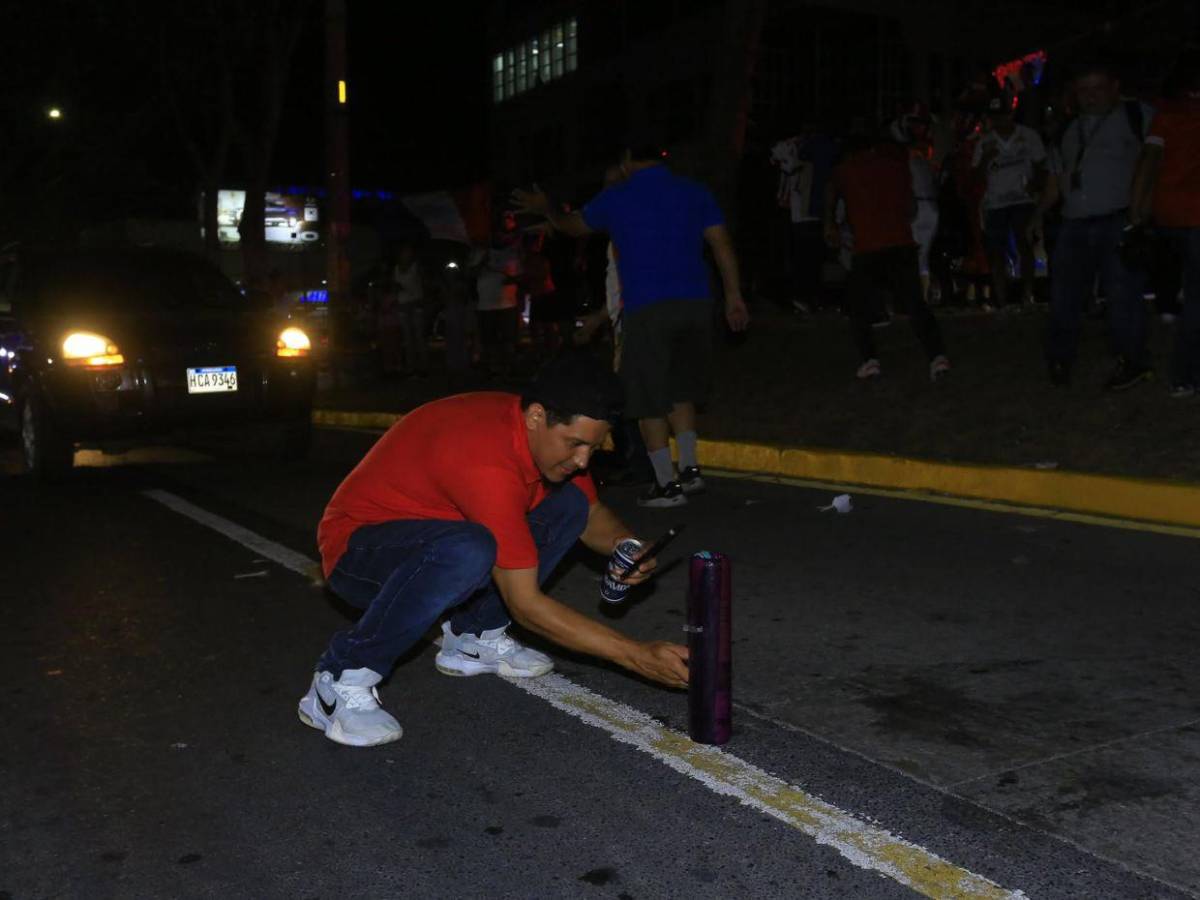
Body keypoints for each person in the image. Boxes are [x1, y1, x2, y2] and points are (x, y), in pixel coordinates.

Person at [298, 353, 689, 747]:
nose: (583, 460)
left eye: (593, 447)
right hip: (359, 554)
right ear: (536, 417)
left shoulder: (540, 432)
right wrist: (636, 655)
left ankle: (475, 637)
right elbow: (526, 605)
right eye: (575, 444)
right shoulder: (484, 458)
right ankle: (338, 680)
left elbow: (589, 513)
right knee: (469, 549)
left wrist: (626, 545)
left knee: (568, 502)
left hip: (442, 539)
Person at [511, 142, 750, 509]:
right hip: (696, 305)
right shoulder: (694, 191)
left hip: (649, 308)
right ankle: (690, 470)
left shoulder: (619, 196)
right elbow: (721, 243)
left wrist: (549, 209)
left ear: (626, 160)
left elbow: (574, 226)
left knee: (647, 397)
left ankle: (667, 486)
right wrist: (734, 296)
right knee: (681, 390)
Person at [1028, 62, 1155, 389]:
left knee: (1122, 293)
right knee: (1064, 294)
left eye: (1098, 88)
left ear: (1114, 87)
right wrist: (1039, 213)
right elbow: (1057, 179)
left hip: (1118, 218)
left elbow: (1157, 160)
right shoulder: (1068, 129)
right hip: (1074, 222)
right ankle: (1060, 358)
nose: (1090, 97)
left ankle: (1132, 360)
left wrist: (1143, 211)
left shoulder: (1136, 116)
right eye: (1083, 90)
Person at [825, 133, 950, 381]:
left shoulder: (849, 168)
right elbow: (911, 208)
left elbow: (831, 186)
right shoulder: (897, 166)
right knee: (915, 304)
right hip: (900, 244)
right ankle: (937, 357)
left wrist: (830, 223)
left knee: (858, 307)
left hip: (868, 247)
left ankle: (870, 360)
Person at [1130, 49, 1200, 397]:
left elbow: (1149, 161)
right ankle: (1185, 374)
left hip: (1169, 214)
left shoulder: (1166, 116)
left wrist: (1137, 208)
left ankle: (1184, 371)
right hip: (1193, 215)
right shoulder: (1173, 116)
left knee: (1187, 287)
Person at [973, 95, 1046, 309]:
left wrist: (1036, 184)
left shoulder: (1028, 136)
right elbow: (976, 177)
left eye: (1003, 115)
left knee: (1025, 246)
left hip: (1022, 200)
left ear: (1011, 114)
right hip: (995, 203)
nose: (999, 121)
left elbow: (1041, 164)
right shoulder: (984, 142)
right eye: (995, 117)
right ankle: (1002, 299)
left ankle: (1027, 294)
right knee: (996, 251)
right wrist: (986, 158)